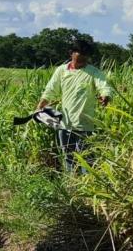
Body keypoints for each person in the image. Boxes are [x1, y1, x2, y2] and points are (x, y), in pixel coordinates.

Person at [35, 38, 113, 173]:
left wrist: (105, 96)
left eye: (85, 56)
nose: (82, 59)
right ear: (71, 53)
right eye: (79, 55)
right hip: (65, 124)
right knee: (68, 157)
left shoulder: (93, 72)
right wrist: (41, 104)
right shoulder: (61, 71)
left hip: (85, 124)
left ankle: (87, 187)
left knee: (87, 159)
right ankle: (72, 186)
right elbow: (51, 89)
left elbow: (104, 86)